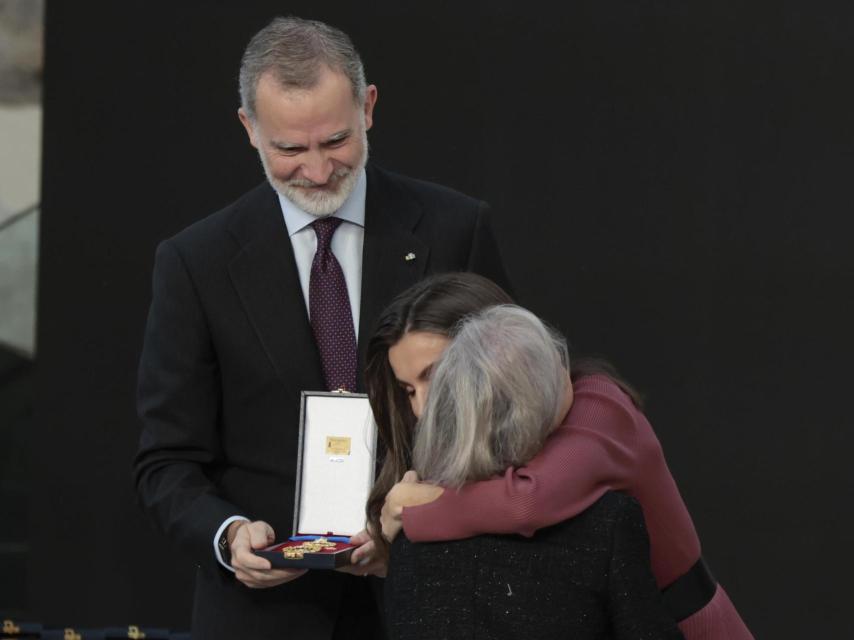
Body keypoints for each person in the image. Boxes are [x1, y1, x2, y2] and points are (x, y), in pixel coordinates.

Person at [133, 17, 508, 640]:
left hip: (431, 597)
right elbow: (167, 460)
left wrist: (428, 519)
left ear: (368, 107)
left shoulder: (454, 229)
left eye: (335, 141)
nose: (314, 169)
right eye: (289, 149)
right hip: (266, 616)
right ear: (249, 129)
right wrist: (227, 536)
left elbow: (510, 415)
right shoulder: (194, 262)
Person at [365, 273, 753, 640]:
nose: (423, 408)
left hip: (686, 624)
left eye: (435, 375)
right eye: (408, 390)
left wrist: (416, 510)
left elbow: (526, 504)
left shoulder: (597, 407)